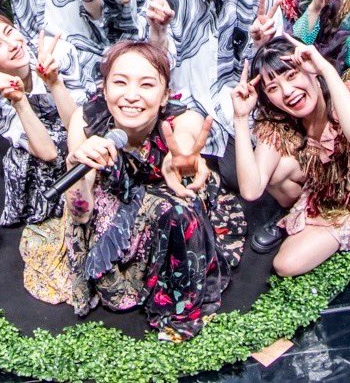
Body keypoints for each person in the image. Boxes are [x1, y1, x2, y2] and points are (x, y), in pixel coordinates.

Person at [21, 40, 246, 339]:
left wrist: (182, 160)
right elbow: (81, 212)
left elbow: (185, 142)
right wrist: (75, 165)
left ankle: (179, 313)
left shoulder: (182, 119)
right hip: (115, 204)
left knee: (179, 211)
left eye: (147, 85)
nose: (131, 95)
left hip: (166, 196)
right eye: (120, 82)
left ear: (165, 95)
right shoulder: (86, 121)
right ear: (104, 89)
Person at [230, 37, 350, 273]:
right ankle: (294, 210)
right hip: (324, 184)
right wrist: (240, 118)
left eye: (292, 75)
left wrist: (325, 69)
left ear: (310, 69)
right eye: (273, 88)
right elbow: (251, 190)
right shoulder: (280, 121)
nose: (287, 92)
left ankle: (325, 224)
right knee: (276, 171)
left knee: (285, 265)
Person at [144, 0, 286, 162]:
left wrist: (261, 46)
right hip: (181, 109)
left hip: (241, 114)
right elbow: (154, 67)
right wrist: (158, 31)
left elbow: (275, 73)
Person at [0, 10, 84, 225]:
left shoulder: (58, 53)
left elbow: (81, 127)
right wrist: (19, 101)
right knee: (21, 159)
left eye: (9, 32)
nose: (13, 45)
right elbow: (48, 152)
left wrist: (54, 82)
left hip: (77, 125)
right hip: (42, 139)